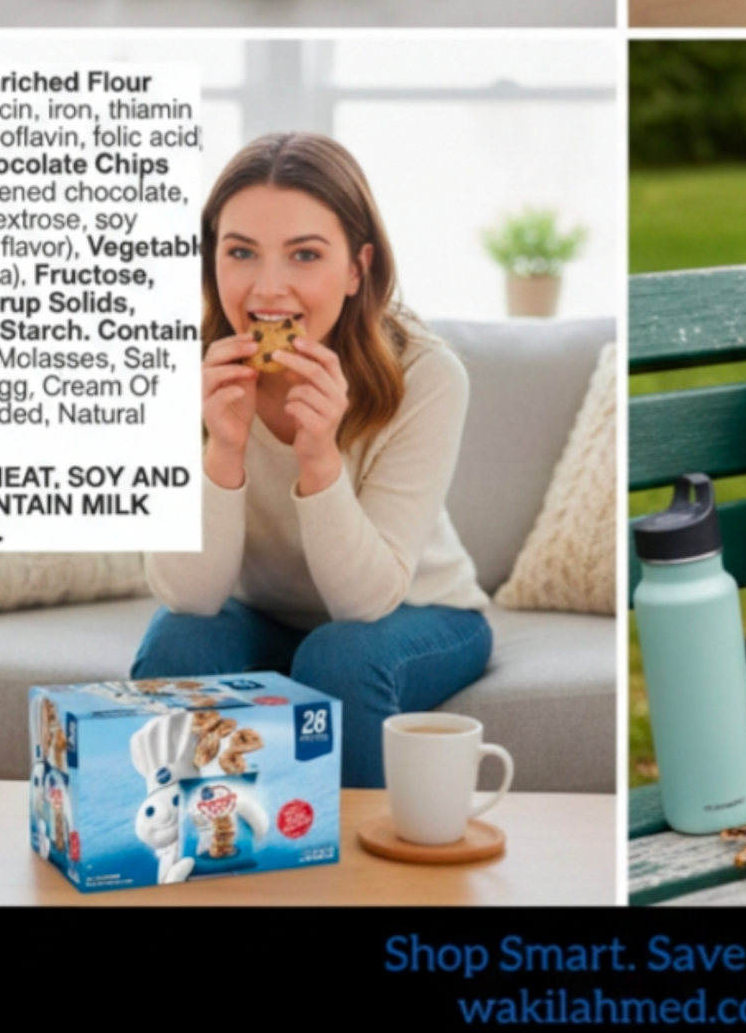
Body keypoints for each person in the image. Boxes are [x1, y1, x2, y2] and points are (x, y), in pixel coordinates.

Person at [134, 132, 492, 789]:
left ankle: (354, 882)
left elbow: (366, 601)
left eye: (305, 255)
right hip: (263, 615)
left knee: (339, 656)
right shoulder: (184, 364)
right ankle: (190, 861)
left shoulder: (428, 375)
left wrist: (319, 458)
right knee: (178, 645)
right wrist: (225, 448)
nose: (268, 289)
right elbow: (188, 597)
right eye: (241, 252)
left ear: (357, 268)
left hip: (415, 611)